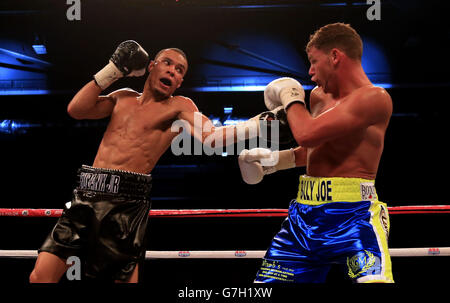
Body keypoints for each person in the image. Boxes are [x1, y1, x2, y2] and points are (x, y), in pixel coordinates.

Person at [29, 40, 289, 283]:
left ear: (179, 82)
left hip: (126, 202)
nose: (173, 71)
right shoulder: (123, 97)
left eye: (179, 70)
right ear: (151, 66)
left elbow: (212, 139)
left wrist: (259, 124)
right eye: (167, 63)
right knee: (40, 276)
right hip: (86, 193)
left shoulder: (180, 106)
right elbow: (77, 109)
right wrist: (114, 69)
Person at [238, 23, 394, 283]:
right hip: (304, 217)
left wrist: (290, 96)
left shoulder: (374, 98)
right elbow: (313, 147)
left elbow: (306, 133)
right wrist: (272, 162)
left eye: (313, 61)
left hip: (354, 217)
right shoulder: (319, 97)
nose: (309, 73)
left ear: (335, 56)